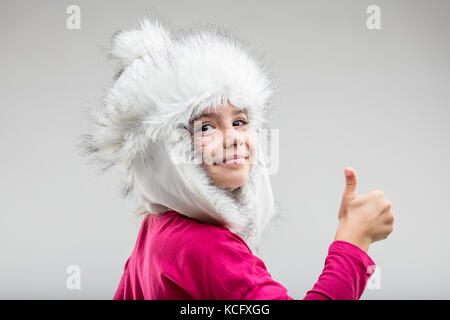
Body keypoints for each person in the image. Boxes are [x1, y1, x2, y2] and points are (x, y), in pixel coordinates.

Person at [79, 17, 395, 300]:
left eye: (240, 121)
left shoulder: (157, 230)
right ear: (162, 150)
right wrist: (355, 240)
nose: (233, 137)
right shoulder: (207, 249)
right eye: (206, 126)